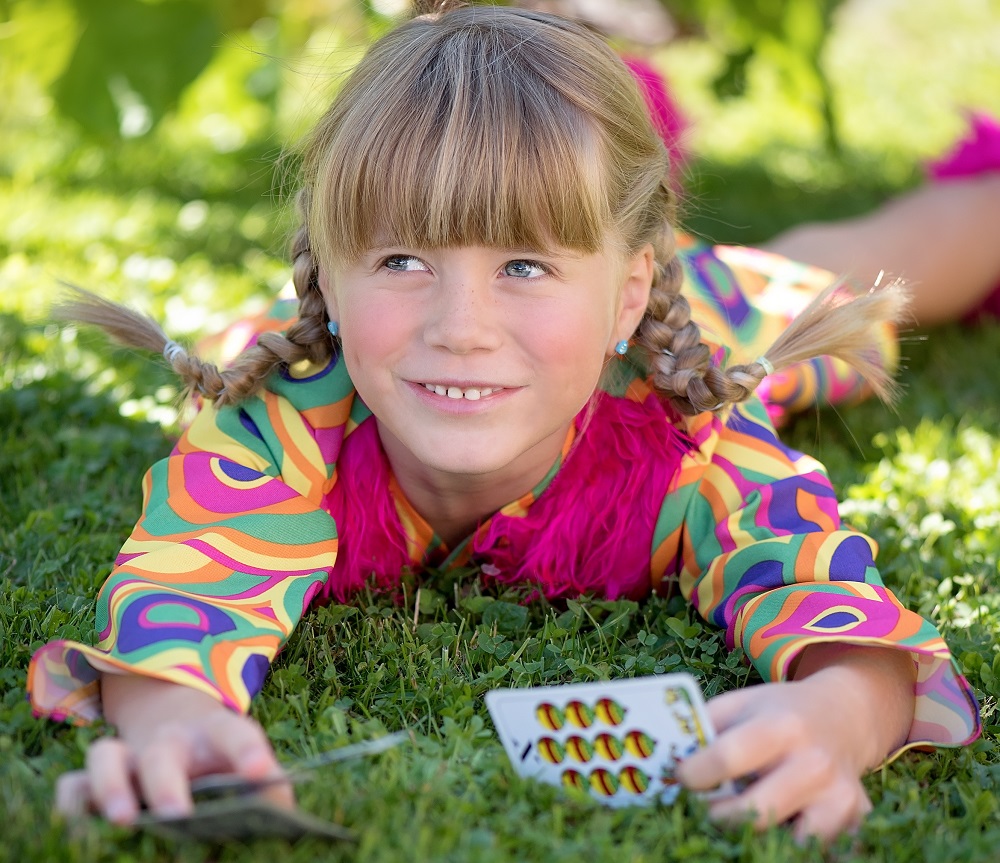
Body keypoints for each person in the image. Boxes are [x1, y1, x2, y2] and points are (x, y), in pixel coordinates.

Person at [28, 0, 980, 844]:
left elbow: (819, 586)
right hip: (508, 325)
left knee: (850, 282)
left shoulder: (684, 435)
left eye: (523, 265)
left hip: (691, 324)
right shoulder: (279, 422)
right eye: (402, 258)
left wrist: (840, 713)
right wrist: (170, 721)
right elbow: (187, 584)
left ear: (623, 295)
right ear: (325, 274)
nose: (462, 330)